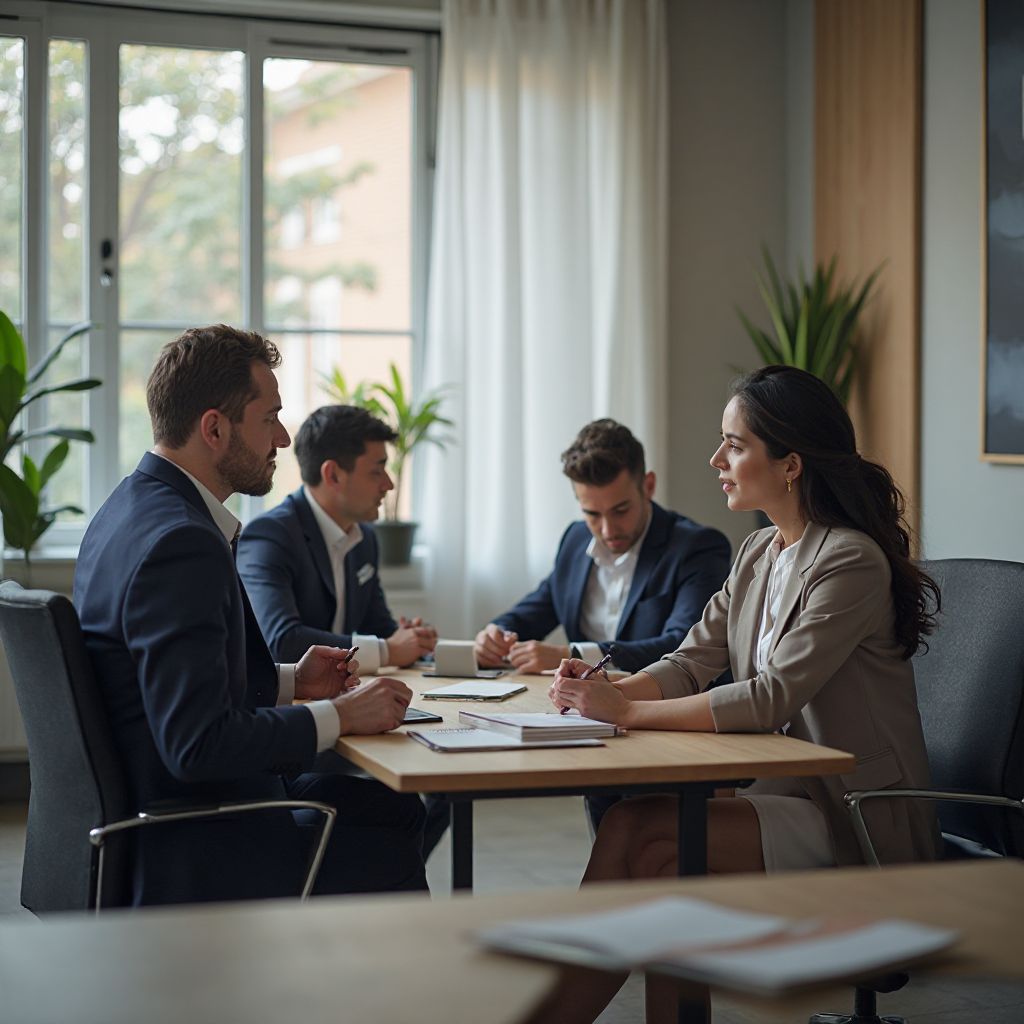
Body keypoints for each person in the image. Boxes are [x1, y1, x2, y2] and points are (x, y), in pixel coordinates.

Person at [543, 366, 943, 1022]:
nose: (716, 460)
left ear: (790, 465)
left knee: (647, 835)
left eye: (734, 444)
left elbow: (770, 697)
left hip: (855, 814)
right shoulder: (759, 551)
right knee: (642, 838)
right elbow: (691, 660)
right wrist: (608, 686)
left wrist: (628, 711)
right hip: (788, 791)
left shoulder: (849, 560)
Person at [74, 324, 428, 906]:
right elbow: (198, 744)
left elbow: (163, 683)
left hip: (152, 810)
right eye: (270, 418)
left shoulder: (127, 509)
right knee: (386, 838)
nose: (283, 438)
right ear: (214, 429)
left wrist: (292, 682)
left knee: (390, 806)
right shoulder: (182, 542)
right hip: (195, 835)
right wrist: (339, 714)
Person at [474, 418, 731, 676]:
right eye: (592, 514)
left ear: (648, 486)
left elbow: (683, 647)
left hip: (663, 699)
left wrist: (575, 655)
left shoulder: (698, 548)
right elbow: (532, 613)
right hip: (578, 699)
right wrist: (496, 636)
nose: (607, 530)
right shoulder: (575, 540)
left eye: (621, 510)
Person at [237, 404, 437, 672]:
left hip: (342, 692)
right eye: (376, 471)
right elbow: (281, 642)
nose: (388, 485)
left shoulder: (365, 538)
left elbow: (378, 628)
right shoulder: (269, 537)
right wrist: (387, 651)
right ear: (332, 475)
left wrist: (413, 641)